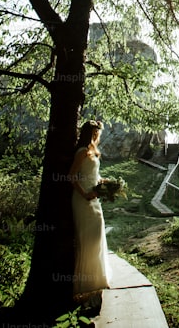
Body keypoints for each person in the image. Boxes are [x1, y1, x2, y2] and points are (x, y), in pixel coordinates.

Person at [69, 120, 111, 301]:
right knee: (86, 240)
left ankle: (97, 279)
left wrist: (107, 183)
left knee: (97, 236)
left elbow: (95, 175)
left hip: (94, 198)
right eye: (95, 133)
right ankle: (84, 284)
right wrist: (84, 194)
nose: (97, 136)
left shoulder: (94, 151)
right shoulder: (81, 152)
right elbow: (71, 176)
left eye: (98, 133)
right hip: (83, 199)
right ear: (89, 133)